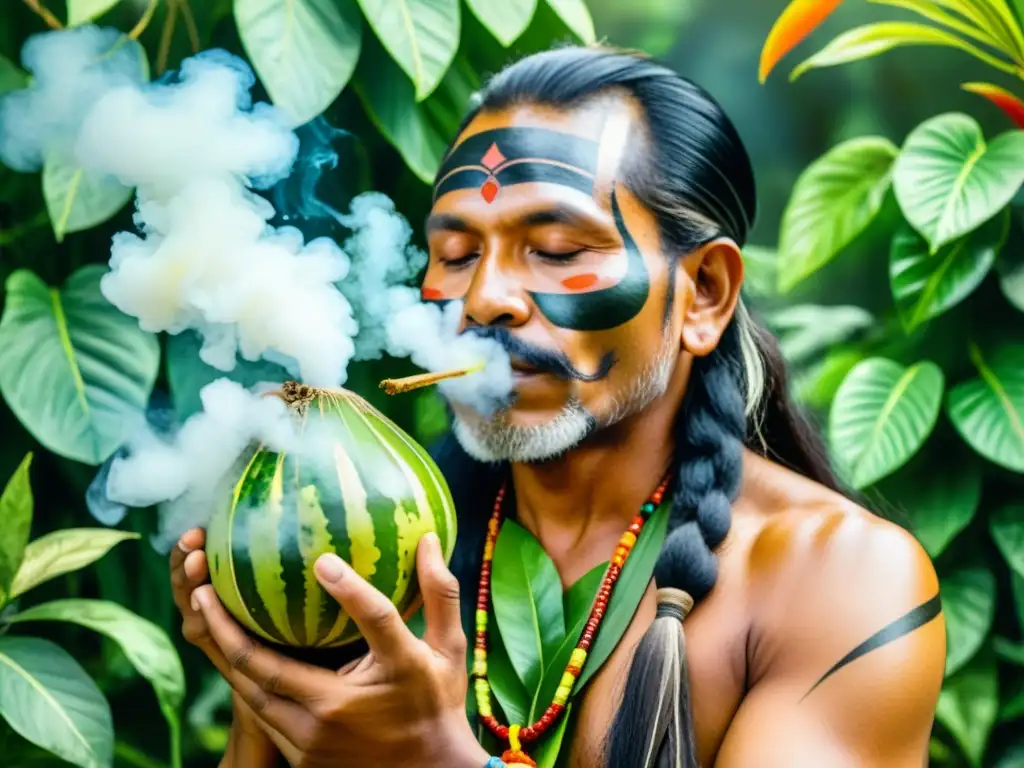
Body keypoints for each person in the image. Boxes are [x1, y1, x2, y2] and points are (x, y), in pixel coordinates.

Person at [170, 46, 945, 768]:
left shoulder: (836, 578)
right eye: (456, 255)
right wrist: (269, 661)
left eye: (559, 250)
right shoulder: (364, 547)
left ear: (704, 292)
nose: (485, 299)